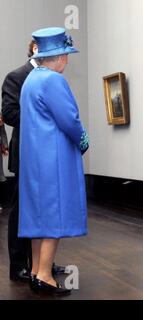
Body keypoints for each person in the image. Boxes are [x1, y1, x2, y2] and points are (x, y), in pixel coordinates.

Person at [19, 27, 89, 296]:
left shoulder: (31, 80)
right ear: (58, 56)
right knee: (53, 216)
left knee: (38, 217)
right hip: (53, 158)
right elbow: (69, 120)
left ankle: (37, 271)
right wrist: (83, 140)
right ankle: (46, 276)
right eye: (67, 54)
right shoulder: (53, 81)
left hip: (34, 159)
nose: (68, 60)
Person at [1, 40, 67, 282]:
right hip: (27, 152)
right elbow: (9, 114)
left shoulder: (50, 76)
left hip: (48, 152)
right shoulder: (15, 76)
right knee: (22, 210)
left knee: (45, 208)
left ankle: (41, 266)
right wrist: (44, 120)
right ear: (36, 50)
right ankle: (19, 265)